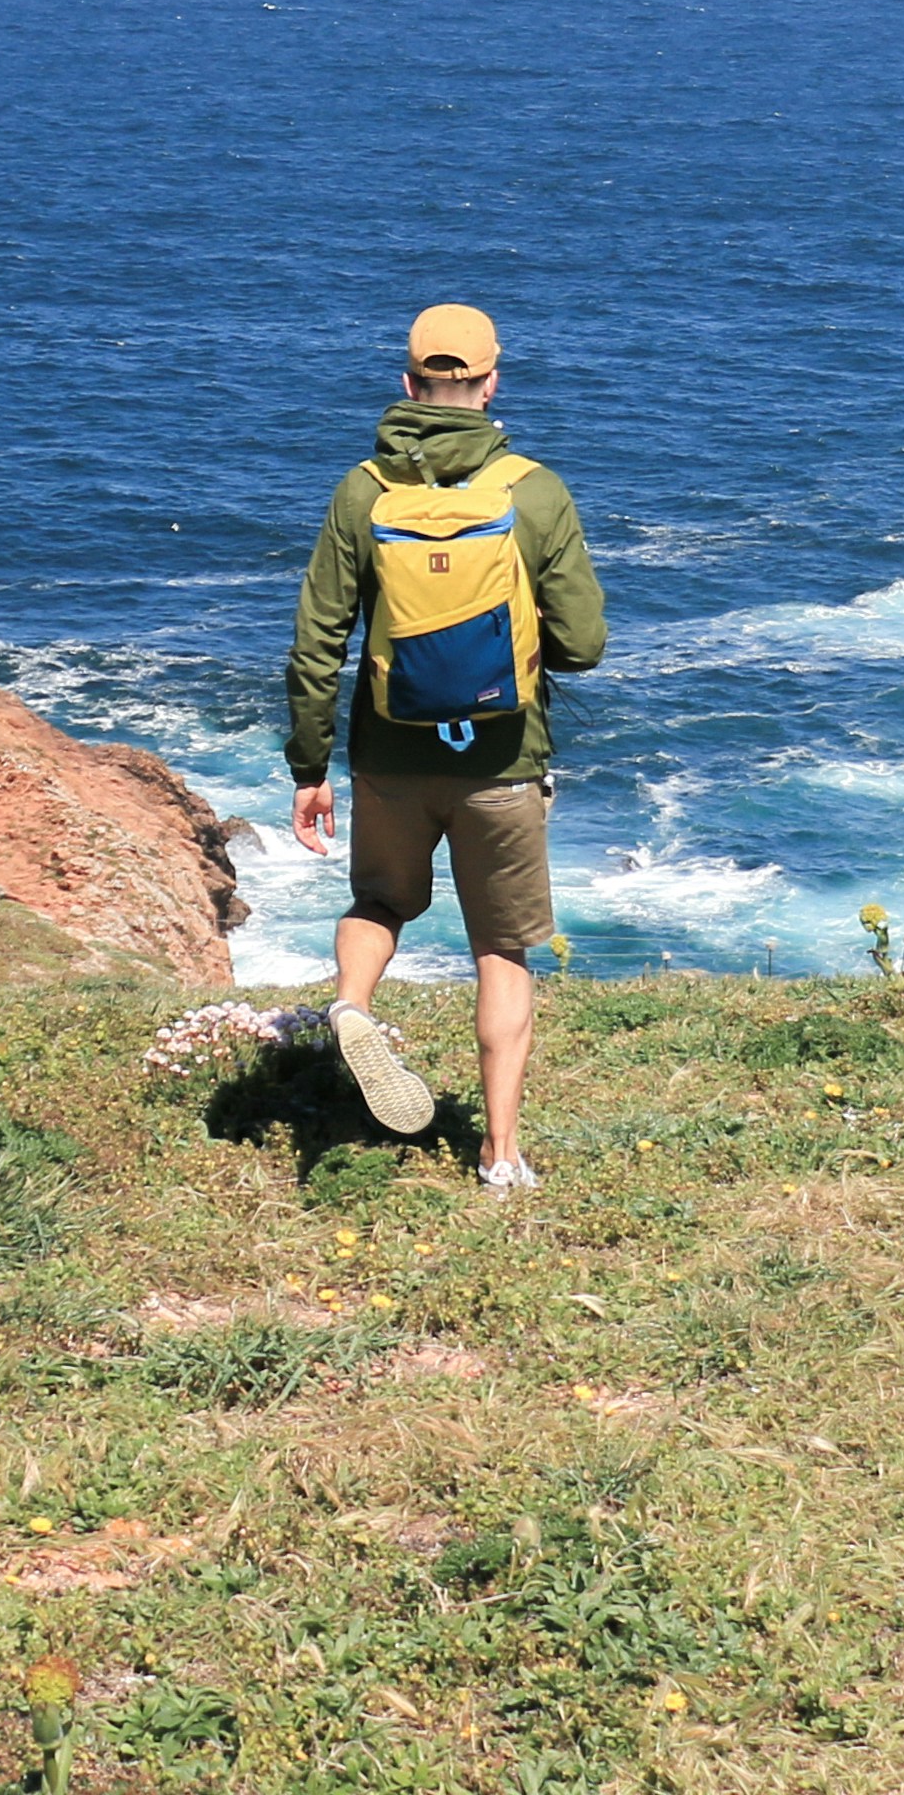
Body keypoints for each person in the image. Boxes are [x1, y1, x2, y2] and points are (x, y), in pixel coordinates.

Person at [285, 301, 606, 1189]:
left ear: (408, 384)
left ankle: (352, 1006)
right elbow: (583, 645)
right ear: (492, 381)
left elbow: (318, 641)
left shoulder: (363, 491)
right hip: (503, 758)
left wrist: (310, 768)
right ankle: (501, 1156)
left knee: (381, 902)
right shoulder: (533, 491)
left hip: (389, 757)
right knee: (501, 952)